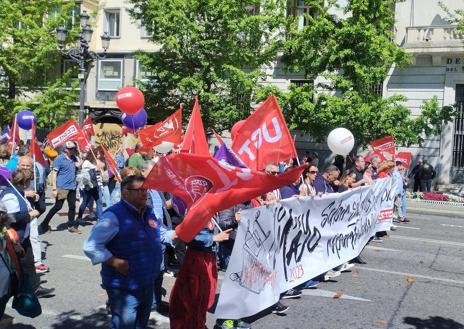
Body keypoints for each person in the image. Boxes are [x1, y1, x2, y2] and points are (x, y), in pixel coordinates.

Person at [84, 175, 166, 329]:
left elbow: (161, 234)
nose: (144, 193)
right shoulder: (113, 215)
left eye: (145, 189)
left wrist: (183, 230)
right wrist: (115, 262)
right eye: (139, 190)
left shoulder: (147, 211)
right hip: (124, 286)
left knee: (140, 324)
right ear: (125, 193)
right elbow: (91, 246)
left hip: (147, 282)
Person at [0, 170, 54, 298]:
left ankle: (34, 288)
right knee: (12, 270)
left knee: (28, 264)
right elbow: (10, 218)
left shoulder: (18, 192)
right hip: (13, 238)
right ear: (25, 183)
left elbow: (37, 209)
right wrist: (29, 215)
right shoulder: (10, 196)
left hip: (22, 236)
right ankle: (15, 293)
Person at [169, 222, 232, 329]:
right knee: (193, 298)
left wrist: (234, 222)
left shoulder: (211, 212)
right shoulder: (197, 214)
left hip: (209, 257)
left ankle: (199, 323)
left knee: (204, 297)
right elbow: (188, 237)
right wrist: (213, 238)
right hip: (196, 259)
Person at [40, 141, 82, 234]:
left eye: (73, 149)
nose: (73, 150)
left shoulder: (74, 158)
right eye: (71, 149)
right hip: (62, 187)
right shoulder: (59, 159)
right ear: (66, 149)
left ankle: (71, 226)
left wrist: (79, 154)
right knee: (57, 207)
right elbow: (54, 174)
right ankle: (44, 223)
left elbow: (79, 165)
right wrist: (54, 189)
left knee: (72, 206)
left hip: (72, 187)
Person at [18, 156, 49, 274]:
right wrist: (26, 193)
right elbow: (10, 190)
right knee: (21, 238)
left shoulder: (33, 178)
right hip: (18, 212)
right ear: (18, 165)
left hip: (31, 210)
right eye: (23, 165)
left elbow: (38, 193)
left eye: (28, 165)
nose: (25, 167)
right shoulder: (13, 176)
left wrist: (36, 196)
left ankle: (38, 262)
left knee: (34, 236)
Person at [76, 151, 102, 224]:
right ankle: (79, 217)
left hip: (95, 185)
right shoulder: (87, 162)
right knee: (85, 202)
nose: (98, 155)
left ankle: (100, 218)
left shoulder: (94, 162)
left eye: (98, 154)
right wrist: (97, 166)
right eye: (96, 154)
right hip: (88, 186)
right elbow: (92, 170)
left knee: (98, 201)